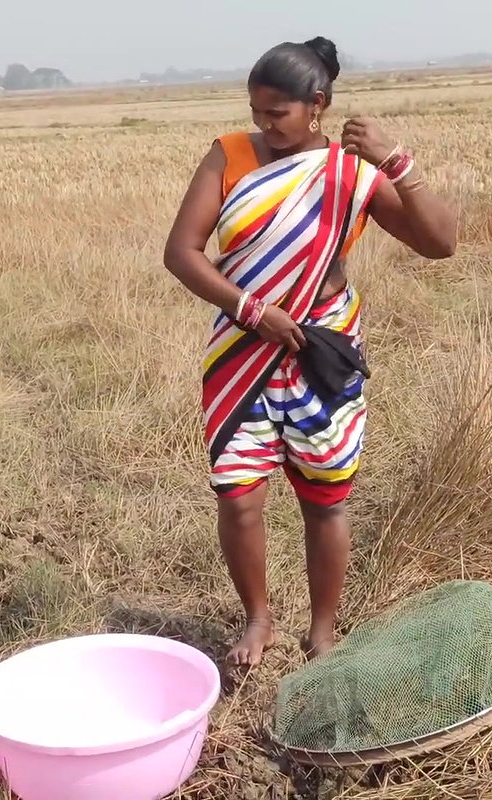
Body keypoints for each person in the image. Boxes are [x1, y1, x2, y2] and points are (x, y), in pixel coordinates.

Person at [163, 36, 459, 667]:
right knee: (238, 497)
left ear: (317, 104)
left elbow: (441, 244)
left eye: (277, 113)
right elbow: (181, 252)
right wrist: (250, 310)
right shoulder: (228, 156)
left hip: (321, 348)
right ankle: (259, 619)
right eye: (256, 112)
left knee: (325, 496)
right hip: (243, 348)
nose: (263, 126)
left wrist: (396, 163)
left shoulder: (353, 172)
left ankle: (323, 628)